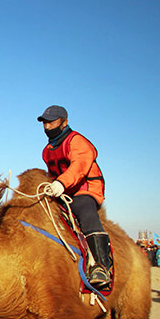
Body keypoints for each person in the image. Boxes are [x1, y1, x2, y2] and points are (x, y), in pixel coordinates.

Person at [38, 105, 113, 289]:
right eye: (45, 123)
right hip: (62, 192)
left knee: (84, 211)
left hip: (85, 190)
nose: (48, 127)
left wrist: (61, 183)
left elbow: (79, 166)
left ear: (64, 122)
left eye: (52, 122)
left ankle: (101, 267)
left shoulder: (77, 141)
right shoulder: (47, 150)